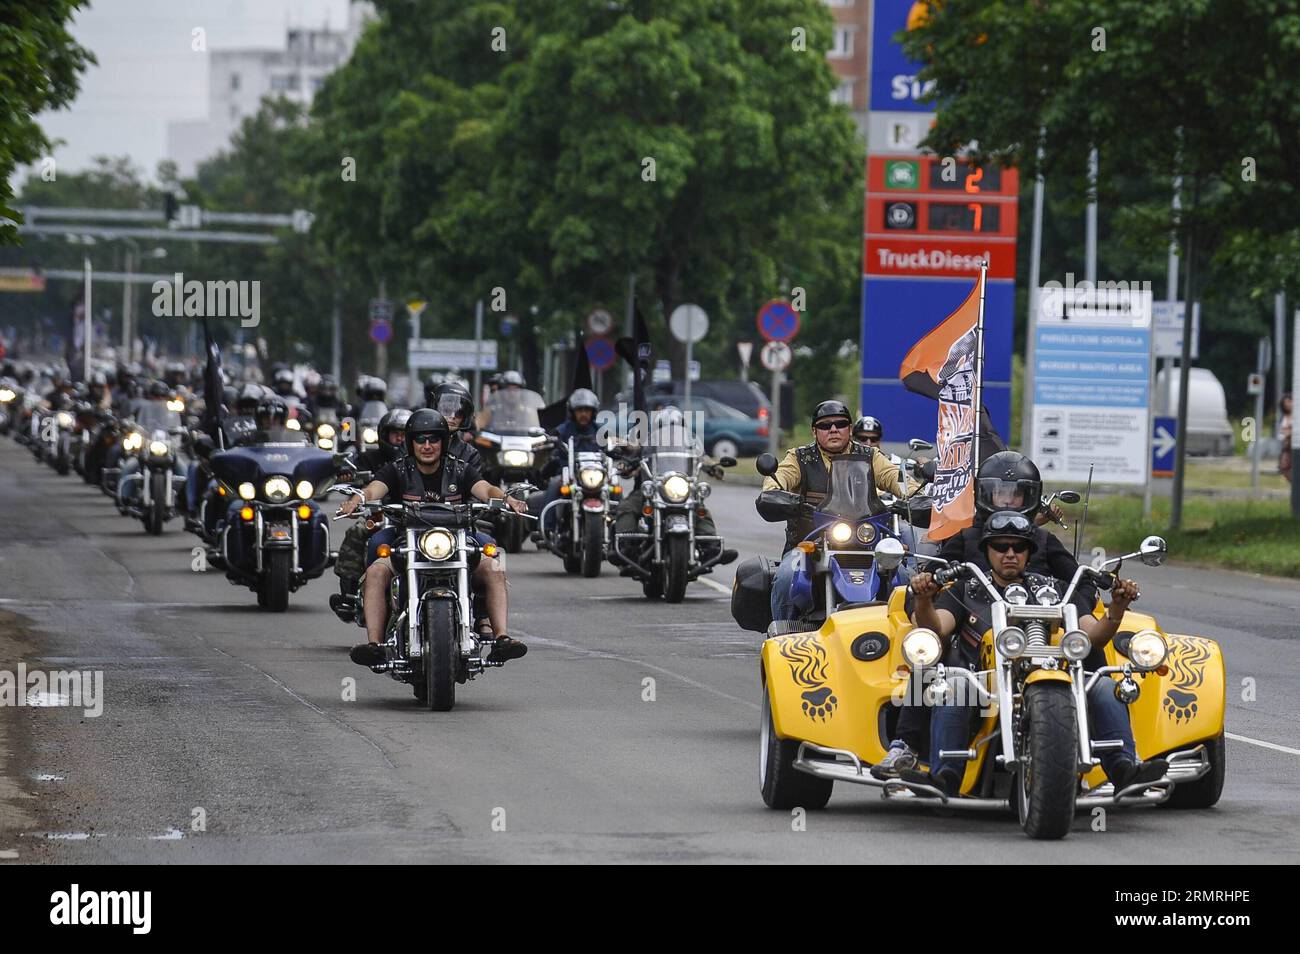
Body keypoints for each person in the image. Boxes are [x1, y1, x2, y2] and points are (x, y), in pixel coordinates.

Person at [886, 510, 1168, 796]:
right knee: (954, 685)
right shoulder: (967, 587)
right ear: (987, 550)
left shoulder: (1055, 588)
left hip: (1055, 675)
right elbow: (938, 627)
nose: (1010, 553)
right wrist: (923, 600)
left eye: (1019, 547)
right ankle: (945, 777)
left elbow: (1093, 635)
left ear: (1028, 553)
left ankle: (1124, 769)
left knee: (1106, 686)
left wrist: (1117, 608)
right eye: (1001, 546)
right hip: (982, 684)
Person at [339, 409, 529, 667]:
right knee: (375, 572)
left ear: (443, 441)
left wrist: (506, 499)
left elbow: (485, 489)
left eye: (433, 439)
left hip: (457, 542)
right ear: (411, 443)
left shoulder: (460, 469)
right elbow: (375, 488)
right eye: (420, 440)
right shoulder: (396, 469)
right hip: (406, 542)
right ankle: (376, 645)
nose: (427, 446)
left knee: (494, 566)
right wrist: (358, 499)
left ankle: (501, 637)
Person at [759, 400, 906, 622]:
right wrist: (776, 494)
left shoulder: (870, 456)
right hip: (810, 547)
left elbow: (896, 478)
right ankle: (780, 634)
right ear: (814, 431)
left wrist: (914, 495)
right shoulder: (799, 458)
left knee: (904, 576)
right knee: (786, 577)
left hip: (865, 545)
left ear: (849, 428)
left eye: (840, 423)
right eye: (825, 425)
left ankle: (909, 638)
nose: (834, 429)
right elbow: (778, 481)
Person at [1279, 393, 1293, 483]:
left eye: (1289, 402)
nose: (1287, 404)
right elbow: (1281, 431)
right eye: (1285, 403)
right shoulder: (1284, 417)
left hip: (1293, 444)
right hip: (1287, 446)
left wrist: (1289, 431)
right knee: (1283, 467)